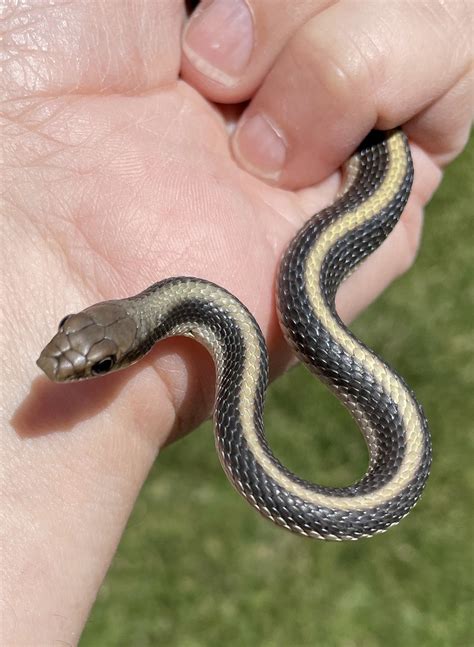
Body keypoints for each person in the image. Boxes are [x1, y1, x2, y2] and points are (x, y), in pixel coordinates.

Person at [1, 0, 472, 642]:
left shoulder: (226, 323)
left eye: (102, 361)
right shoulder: (214, 323)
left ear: (137, 342)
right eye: (97, 360)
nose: (70, 361)